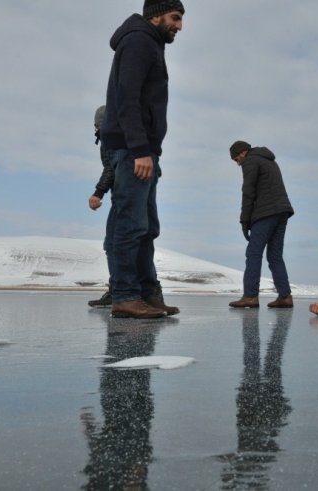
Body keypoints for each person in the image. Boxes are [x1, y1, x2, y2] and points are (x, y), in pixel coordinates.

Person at [99, 0, 184, 318]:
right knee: (131, 224)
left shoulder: (151, 43)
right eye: (175, 17)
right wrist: (139, 149)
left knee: (147, 227)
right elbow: (127, 95)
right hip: (133, 149)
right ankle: (125, 295)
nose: (180, 26)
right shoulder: (138, 40)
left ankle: (148, 293)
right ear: (157, 15)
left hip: (145, 150)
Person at [227, 141, 295, 309]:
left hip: (266, 213)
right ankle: (285, 296)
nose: (237, 163)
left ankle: (250, 296)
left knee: (253, 253)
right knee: (275, 256)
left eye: (237, 159)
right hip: (282, 212)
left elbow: (248, 191)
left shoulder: (250, 161)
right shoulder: (269, 160)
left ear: (243, 152)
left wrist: (244, 220)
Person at [87, 105, 115, 308]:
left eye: (97, 124)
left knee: (113, 244)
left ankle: (119, 291)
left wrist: (98, 192)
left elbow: (111, 167)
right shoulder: (123, 136)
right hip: (127, 195)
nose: (95, 128)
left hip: (124, 197)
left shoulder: (110, 139)